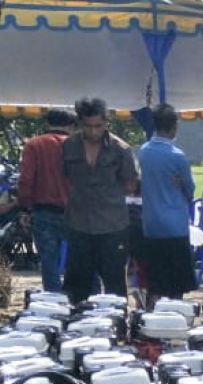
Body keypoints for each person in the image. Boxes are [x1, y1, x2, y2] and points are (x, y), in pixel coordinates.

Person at [61, 96, 139, 304]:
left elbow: (130, 185)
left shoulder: (121, 149)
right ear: (79, 123)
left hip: (112, 226)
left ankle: (119, 326)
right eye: (88, 126)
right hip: (79, 223)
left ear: (106, 122)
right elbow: (66, 176)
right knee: (76, 285)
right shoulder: (68, 146)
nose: (93, 131)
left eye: (98, 126)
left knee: (114, 285)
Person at [137, 103, 196, 301]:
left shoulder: (144, 152)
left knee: (155, 280)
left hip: (151, 224)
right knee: (176, 283)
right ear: (174, 128)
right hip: (175, 226)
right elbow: (190, 190)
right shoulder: (177, 156)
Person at [18, 108, 74, 292]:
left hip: (44, 212)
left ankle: (53, 302)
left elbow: (26, 179)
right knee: (78, 259)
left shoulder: (34, 145)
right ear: (70, 125)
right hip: (76, 213)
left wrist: (24, 209)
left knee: (49, 260)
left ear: (47, 123)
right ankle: (78, 300)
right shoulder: (77, 145)